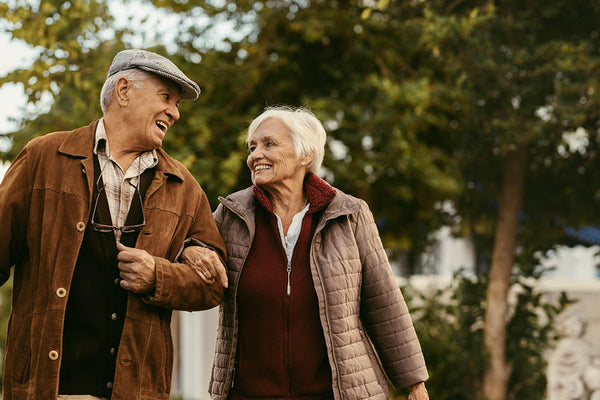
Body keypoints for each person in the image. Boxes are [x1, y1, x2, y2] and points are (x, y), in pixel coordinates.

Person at [0, 49, 228, 400]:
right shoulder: (41, 158)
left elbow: (212, 287)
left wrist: (158, 276)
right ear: (123, 90)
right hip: (47, 388)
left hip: (135, 392)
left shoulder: (184, 187)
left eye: (177, 103)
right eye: (166, 97)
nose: (175, 112)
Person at [193, 106, 429, 399]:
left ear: (305, 155)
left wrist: (414, 383)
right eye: (252, 147)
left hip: (335, 393)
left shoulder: (350, 214)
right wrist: (189, 254)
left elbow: (383, 302)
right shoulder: (231, 215)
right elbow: (193, 256)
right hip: (250, 392)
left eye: (269, 144)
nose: (255, 155)